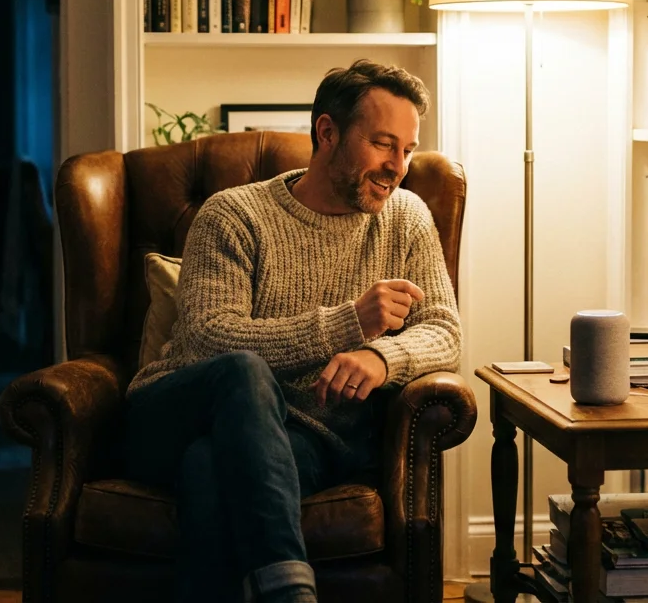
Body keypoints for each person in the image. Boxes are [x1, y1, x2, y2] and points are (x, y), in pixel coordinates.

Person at [124, 59, 463, 603]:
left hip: (304, 436)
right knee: (242, 371)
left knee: (209, 470)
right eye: (382, 144)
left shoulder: (407, 218)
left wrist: (380, 359)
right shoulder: (234, 215)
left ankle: (283, 588)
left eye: (407, 149)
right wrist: (348, 323)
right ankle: (290, 592)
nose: (398, 166)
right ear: (327, 133)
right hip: (175, 412)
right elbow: (209, 338)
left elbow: (444, 330)